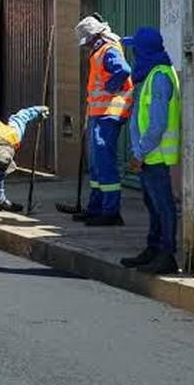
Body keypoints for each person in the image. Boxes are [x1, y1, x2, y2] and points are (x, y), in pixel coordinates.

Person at [120, 27, 180, 275]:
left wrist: (139, 154)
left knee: (162, 205)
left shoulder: (159, 77)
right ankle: (153, 249)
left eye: (135, 50)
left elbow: (157, 124)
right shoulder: (151, 74)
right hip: (148, 155)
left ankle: (166, 254)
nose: (133, 55)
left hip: (155, 155)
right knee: (152, 204)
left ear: (144, 51)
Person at [75, 14, 134, 226]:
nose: (85, 46)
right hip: (100, 113)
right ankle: (96, 207)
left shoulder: (108, 49)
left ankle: (110, 212)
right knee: (96, 164)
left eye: (87, 42)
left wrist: (110, 88)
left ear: (94, 36)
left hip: (109, 113)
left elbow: (124, 70)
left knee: (104, 162)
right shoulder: (100, 50)